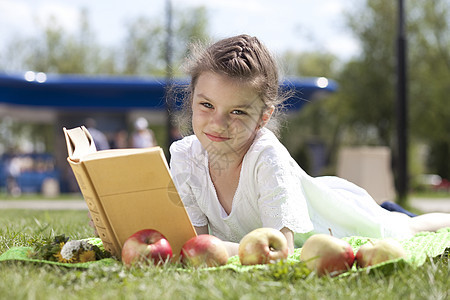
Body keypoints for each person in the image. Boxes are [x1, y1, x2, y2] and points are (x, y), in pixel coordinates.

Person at [168, 34, 450, 257]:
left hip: (334, 221)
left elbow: (283, 248)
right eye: (207, 105)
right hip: (304, 201)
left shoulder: (266, 158)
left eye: (238, 112)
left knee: (405, 228)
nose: (218, 123)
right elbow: (194, 241)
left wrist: (216, 249)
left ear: (263, 118)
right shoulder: (185, 157)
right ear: (192, 99)